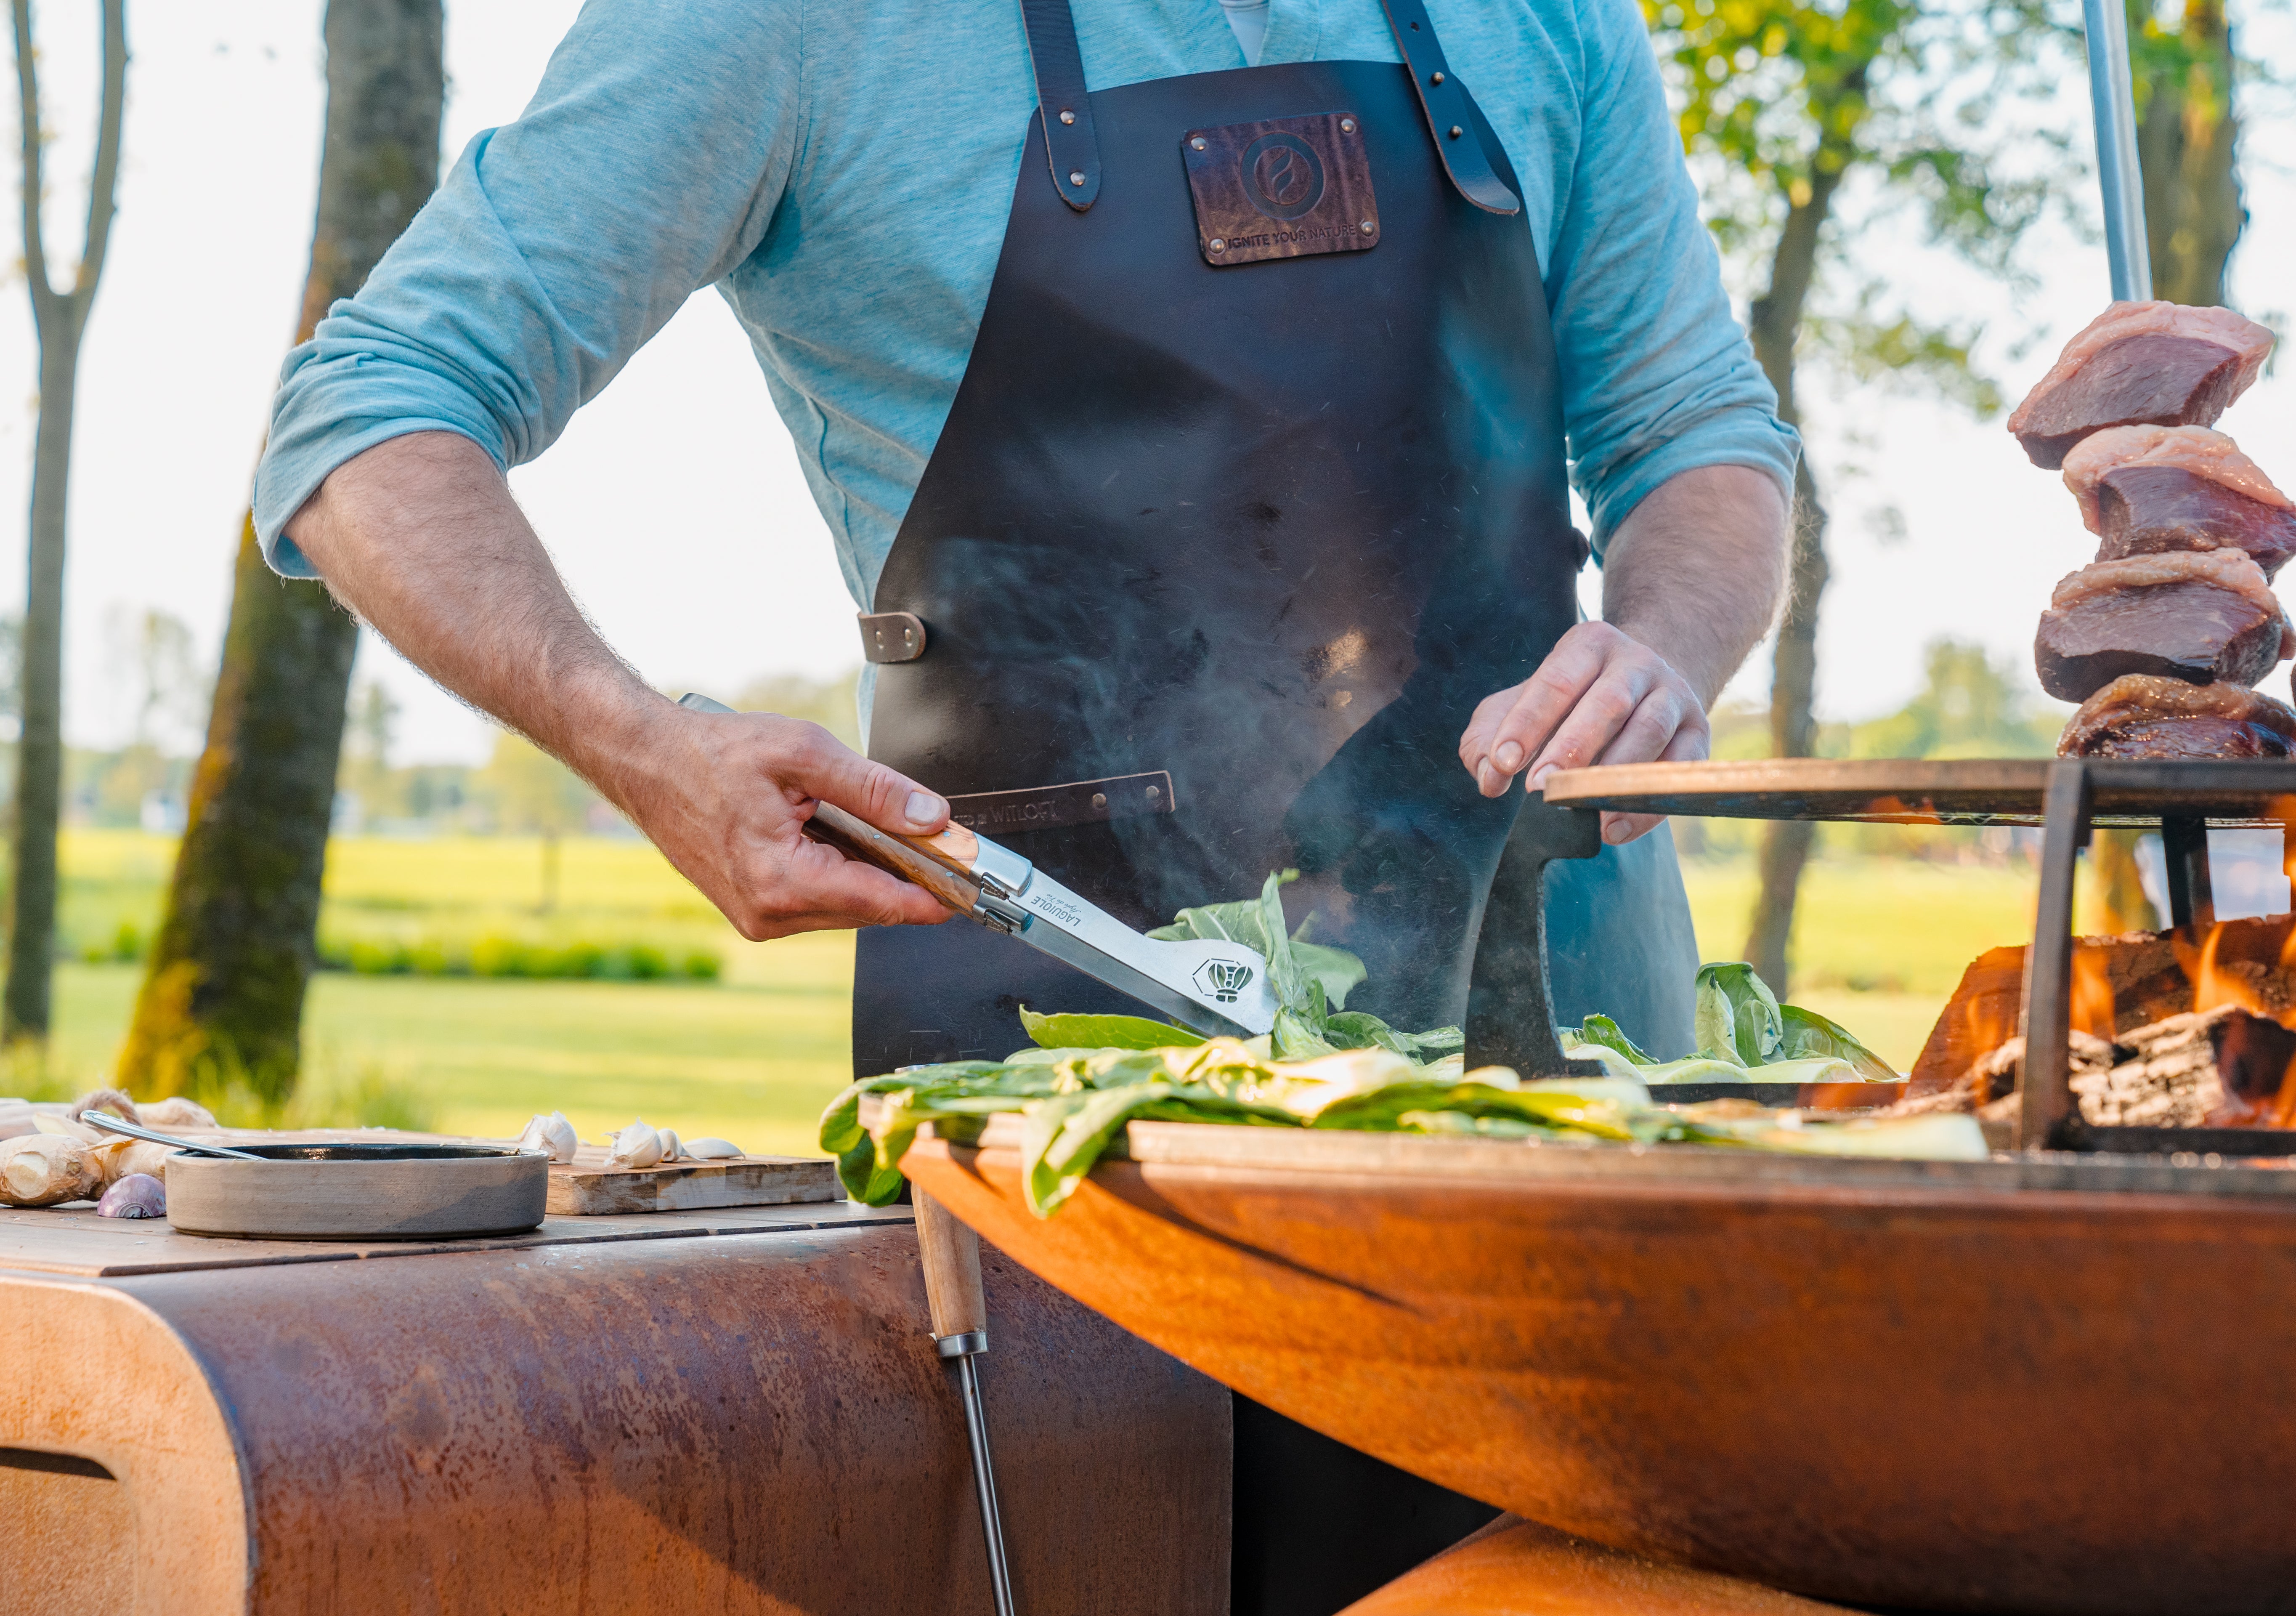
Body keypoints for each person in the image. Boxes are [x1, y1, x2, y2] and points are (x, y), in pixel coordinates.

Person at [255, 0, 1793, 1604]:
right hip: (1097, 1133)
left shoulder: (1547, 20)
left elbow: (1701, 437)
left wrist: (1666, 653)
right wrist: (644, 745)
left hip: (1582, 1093)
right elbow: (366, 411)